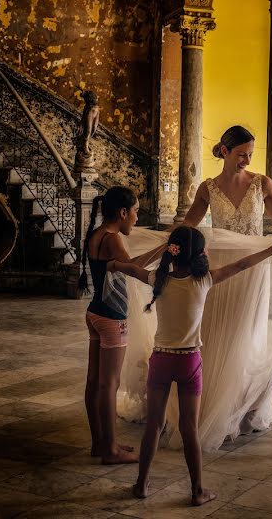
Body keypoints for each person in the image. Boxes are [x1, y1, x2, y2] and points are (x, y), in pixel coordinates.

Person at [110, 226, 272, 505]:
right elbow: (242, 264)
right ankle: (197, 491)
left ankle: (141, 484)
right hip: (189, 362)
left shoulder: (158, 281)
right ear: (200, 254)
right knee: (189, 429)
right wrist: (271, 249)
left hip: (161, 359)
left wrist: (111, 264)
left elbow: (128, 268)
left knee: (154, 426)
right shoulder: (204, 281)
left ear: (172, 251)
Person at [174, 126, 272, 445]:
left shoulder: (262, 183)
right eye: (241, 154)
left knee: (246, 333)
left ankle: (241, 408)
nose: (246, 160)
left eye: (250, 154)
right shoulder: (207, 188)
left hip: (255, 268)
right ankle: (212, 404)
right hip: (221, 268)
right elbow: (187, 226)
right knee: (217, 331)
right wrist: (159, 242)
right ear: (224, 151)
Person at [81, 186, 161, 465]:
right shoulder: (113, 238)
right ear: (122, 212)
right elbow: (135, 269)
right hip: (112, 319)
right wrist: (165, 248)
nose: (137, 219)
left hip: (94, 313)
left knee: (94, 382)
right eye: (136, 212)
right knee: (109, 384)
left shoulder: (97, 234)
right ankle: (112, 450)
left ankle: (99, 444)